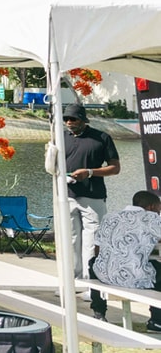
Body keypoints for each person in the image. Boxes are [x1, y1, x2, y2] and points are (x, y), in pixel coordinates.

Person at [63, 102, 121, 280]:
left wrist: (89, 172)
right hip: (67, 196)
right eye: (66, 119)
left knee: (92, 240)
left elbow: (115, 168)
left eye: (73, 119)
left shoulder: (101, 137)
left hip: (93, 197)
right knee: (70, 239)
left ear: (83, 120)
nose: (69, 122)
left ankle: (92, 282)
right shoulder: (60, 137)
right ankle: (73, 281)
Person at [89, 190, 161, 331]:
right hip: (133, 277)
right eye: (159, 209)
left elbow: (97, 249)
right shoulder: (152, 218)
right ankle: (157, 320)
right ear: (152, 207)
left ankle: (99, 312)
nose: (159, 213)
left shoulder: (110, 217)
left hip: (105, 275)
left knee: (93, 262)